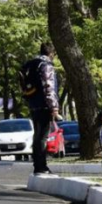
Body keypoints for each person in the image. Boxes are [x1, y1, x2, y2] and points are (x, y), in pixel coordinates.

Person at [23, 42, 60, 175]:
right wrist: (53, 106)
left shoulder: (31, 64)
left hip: (33, 102)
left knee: (37, 135)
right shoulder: (46, 65)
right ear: (51, 53)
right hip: (44, 104)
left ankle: (37, 165)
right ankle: (42, 166)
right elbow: (48, 86)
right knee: (43, 136)